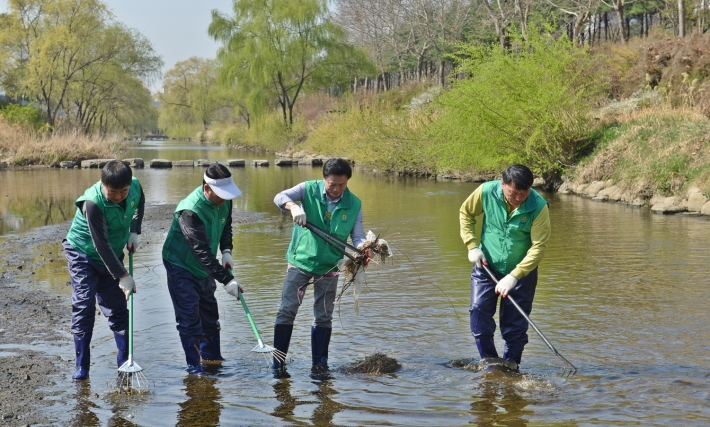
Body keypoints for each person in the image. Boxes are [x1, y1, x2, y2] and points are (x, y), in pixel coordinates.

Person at [271, 158, 368, 372]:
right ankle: (278, 364)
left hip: (329, 266)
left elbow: (357, 236)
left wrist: (367, 247)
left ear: (347, 182)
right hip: (300, 261)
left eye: (341, 185)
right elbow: (279, 197)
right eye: (331, 184)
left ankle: (320, 366)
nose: (336, 189)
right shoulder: (308, 189)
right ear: (324, 179)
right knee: (287, 310)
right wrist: (294, 207)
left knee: (324, 316)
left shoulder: (355, 204)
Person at [459, 164, 551, 368]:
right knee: (478, 310)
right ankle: (490, 363)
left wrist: (515, 276)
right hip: (486, 266)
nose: (518, 198)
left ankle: (511, 366)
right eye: (513, 193)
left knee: (515, 327)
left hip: (521, 273)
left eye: (523, 193)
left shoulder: (539, 206)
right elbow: (466, 214)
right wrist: (472, 245)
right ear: (502, 185)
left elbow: (538, 247)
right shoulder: (485, 192)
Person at [63, 160, 145, 381]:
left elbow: (139, 202)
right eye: (113, 192)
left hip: (111, 253)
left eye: (123, 191)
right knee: (84, 305)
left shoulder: (134, 186)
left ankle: (125, 364)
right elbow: (101, 245)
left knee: (118, 308)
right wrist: (123, 276)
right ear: (102, 184)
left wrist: (134, 231)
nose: (119, 196)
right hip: (83, 253)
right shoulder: (93, 203)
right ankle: (82, 368)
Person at [162, 163, 244, 375]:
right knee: (189, 317)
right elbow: (201, 252)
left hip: (204, 266)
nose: (225, 199)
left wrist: (226, 250)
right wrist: (226, 280)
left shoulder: (225, 200)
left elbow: (226, 225)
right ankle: (194, 367)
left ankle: (212, 359)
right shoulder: (189, 211)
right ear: (207, 188)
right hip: (181, 263)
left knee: (209, 312)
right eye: (220, 194)